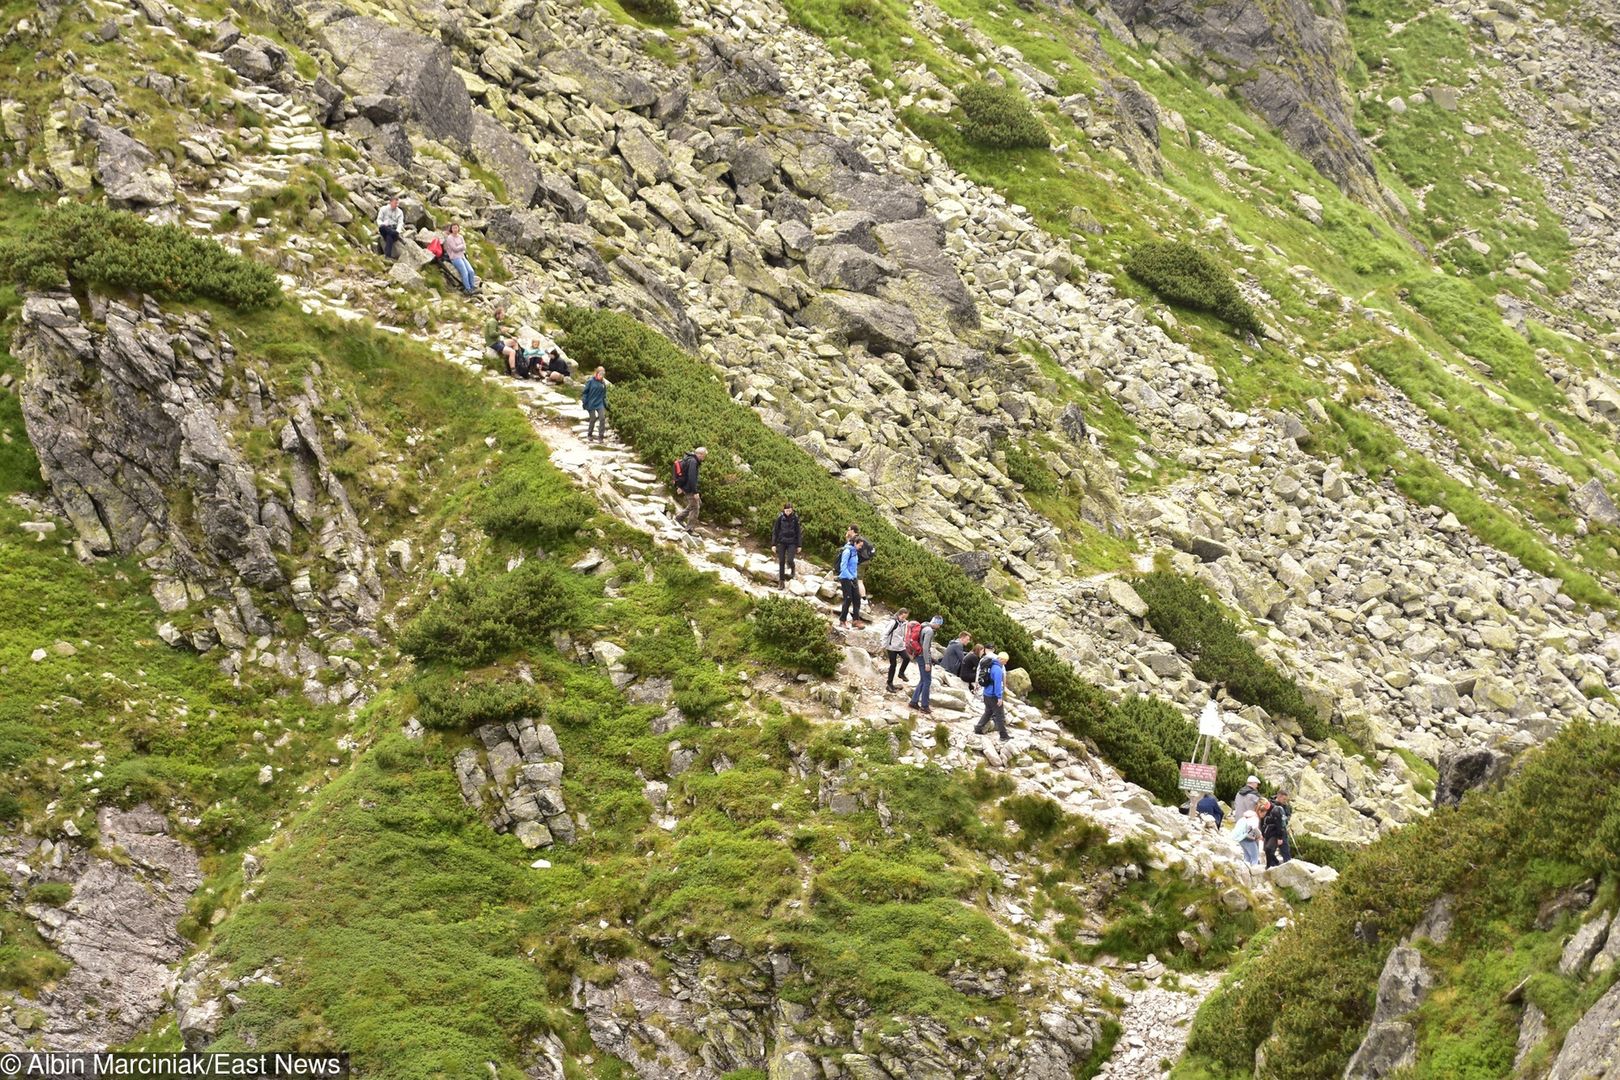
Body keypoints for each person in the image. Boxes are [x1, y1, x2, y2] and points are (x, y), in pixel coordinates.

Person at [908, 616, 944, 714]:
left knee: (923, 680)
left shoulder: (924, 626)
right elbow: (925, 647)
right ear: (936, 623)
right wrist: (927, 662)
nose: (939, 627)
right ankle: (924, 706)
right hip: (923, 657)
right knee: (927, 681)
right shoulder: (929, 631)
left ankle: (914, 701)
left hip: (918, 656)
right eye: (939, 625)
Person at [973, 651, 1009, 741]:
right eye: (1005, 661)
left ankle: (978, 728)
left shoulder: (990, 665)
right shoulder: (998, 670)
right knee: (999, 715)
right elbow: (997, 685)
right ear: (1001, 659)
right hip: (993, 696)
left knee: (988, 712)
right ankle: (1003, 736)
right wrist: (999, 697)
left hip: (986, 694)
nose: (1006, 663)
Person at [673, 447, 706, 532]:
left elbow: (684, 474)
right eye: (704, 455)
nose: (704, 457)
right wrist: (695, 492)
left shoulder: (689, 459)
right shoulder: (693, 462)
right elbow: (692, 478)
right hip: (689, 488)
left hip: (685, 486)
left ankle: (679, 518)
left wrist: (680, 487)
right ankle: (689, 529)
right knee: (695, 507)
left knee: (692, 504)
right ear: (700, 454)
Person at [836, 531, 864, 628]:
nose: (861, 547)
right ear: (855, 543)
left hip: (853, 578)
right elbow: (843, 567)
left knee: (857, 598)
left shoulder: (855, 552)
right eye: (860, 545)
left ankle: (856, 620)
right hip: (845, 578)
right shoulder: (847, 551)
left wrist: (854, 577)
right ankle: (842, 620)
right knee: (848, 599)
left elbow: (854, 566)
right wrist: (850, 577)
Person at [881, 608, 912, 692]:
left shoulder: (905, 623)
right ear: (899, 614)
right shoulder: (893, 622)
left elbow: (905, 634)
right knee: (893, 665)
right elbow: (885, 633)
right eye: (902, 617)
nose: (904, 618)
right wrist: (883, 645)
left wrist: (906, 643)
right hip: (891, 647)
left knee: (907, 658)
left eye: (905, 617)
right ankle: (889, 684)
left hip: (900, 646)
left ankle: (901, 673)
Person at [772, 503, 801, 587]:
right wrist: (773, 544)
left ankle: (792, 568)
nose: (788, 512)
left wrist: (799, 545)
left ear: (792, 510)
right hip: (781, 542)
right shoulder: (780, 518)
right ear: (784, 510)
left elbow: (798, 532)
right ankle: (781, 582)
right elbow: (775, 531)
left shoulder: (795, 519)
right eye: (787, 510)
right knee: (781, 561)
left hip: (792, 542)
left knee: (790, 560)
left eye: (790, 511)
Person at [444, 223, 477, 294]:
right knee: (464, 272)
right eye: (453, 228)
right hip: (455, 258)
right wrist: (461, 246)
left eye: (456, 228)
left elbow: (465, 246)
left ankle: (473, 286)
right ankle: (468, 289)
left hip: (462, 256)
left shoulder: (460, 237)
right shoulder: (450, 238)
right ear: (451, 229)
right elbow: (454, 249)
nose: (455, 229)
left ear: (458, 229)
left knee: (471, 271)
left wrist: (461, 247)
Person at [1262, 790, 1292, 867]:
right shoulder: (1270, 805)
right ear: (1279, 797)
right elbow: (1264, 818)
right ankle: (1273, 864)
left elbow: (1287, 816)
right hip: (1272, 831)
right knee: (1268, 850)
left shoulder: (1285, 806)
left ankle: (1288, 865)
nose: (1285, 801)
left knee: (1285, 851)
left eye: (1286, 799)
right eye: (1284, 799)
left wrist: (1287, 818)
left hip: (1281, 831)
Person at [485, 307, 517, 375]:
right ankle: (513, 372)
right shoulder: (492, 322)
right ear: (497, 314)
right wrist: (501, 331)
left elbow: (501, 331)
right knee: (512, 352)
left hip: (497, 341)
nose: (503, 317)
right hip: (493, 343)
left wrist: (511, 337)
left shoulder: (495, 321)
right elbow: (492, 334)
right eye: (502, 315)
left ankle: (517, 361)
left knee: (514, 342)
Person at [1232, 800, 1263, 866]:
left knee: (1247, 857)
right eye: (1264, 813)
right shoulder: (1255, 818)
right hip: (1248, 839)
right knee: (1255, 857)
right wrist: (1259, 835)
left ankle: (1245, 872)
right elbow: (1253, 827)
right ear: (1260, 811)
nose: (1264, 815)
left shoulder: (1247, 817)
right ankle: (1254, 873)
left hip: (1241, 838)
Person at [582, 367, 609, 440]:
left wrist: (606, 404)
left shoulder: (603, 383)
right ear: (597, 373)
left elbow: (604, 395)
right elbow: (585, 392)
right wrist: (584, 401)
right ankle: (589, 434)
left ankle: (601, 437)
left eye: (603, 374)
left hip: (600, 403)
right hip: (591, 402)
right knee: (593, 418)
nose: (601, 376)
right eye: (600, 374)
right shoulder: (590, 381)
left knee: (602, 418)